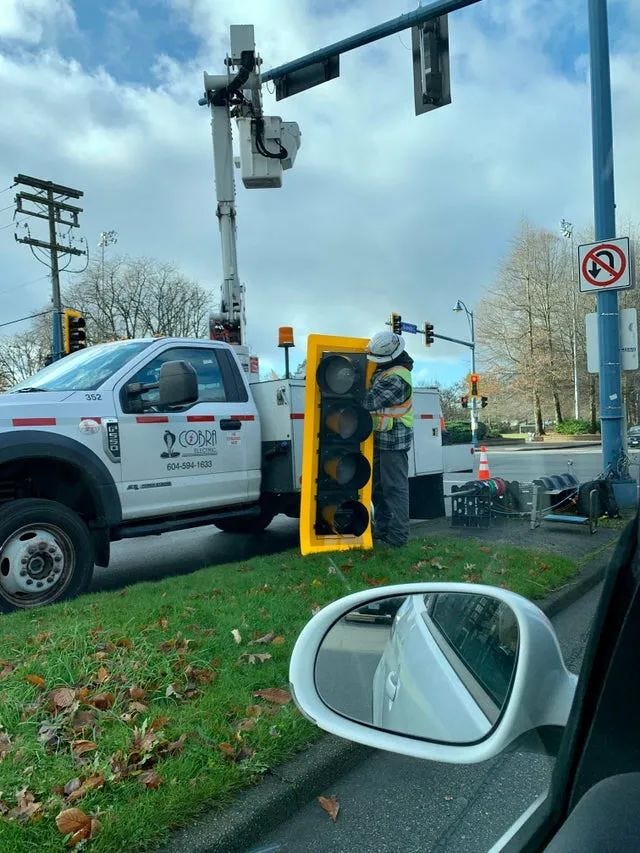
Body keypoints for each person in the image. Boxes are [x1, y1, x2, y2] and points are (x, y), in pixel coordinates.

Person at [362, 331, 414, 548]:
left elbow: (370, 401)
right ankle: (383, 529)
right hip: (382, 438)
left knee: (394, 488)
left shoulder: (397, 377)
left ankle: (398, 537)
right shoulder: (387, 371)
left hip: (394, 440)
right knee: (379, 487)